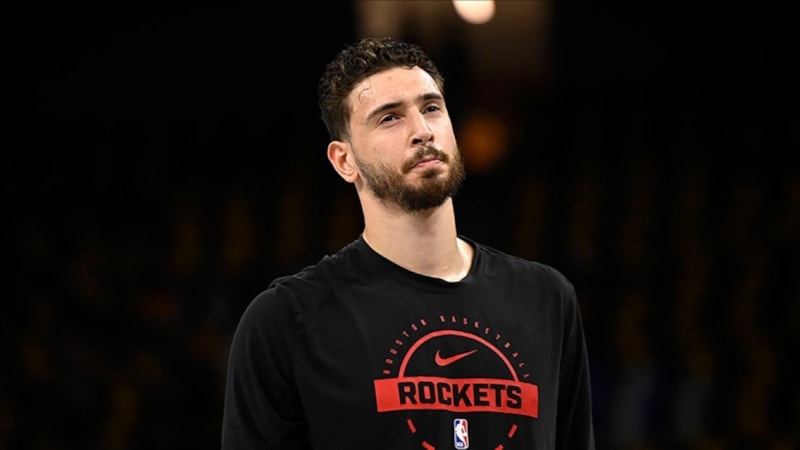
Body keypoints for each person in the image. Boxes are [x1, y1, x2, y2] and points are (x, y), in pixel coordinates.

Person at [221, 36, 595, 449]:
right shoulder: (289, 320)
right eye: (389, 118)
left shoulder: (546, 299)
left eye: (431, 108)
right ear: (344, 161)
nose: (422, 131)